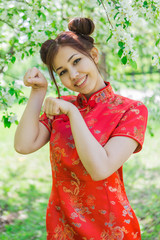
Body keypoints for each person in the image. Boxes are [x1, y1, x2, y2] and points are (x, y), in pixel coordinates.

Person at [14, 17, 148, 240]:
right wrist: (38, 92)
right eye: (62, 72)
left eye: (76, 61)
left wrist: (73, 113)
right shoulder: (62, 108)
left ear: (94, 55)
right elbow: (23, 145)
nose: (73, 75)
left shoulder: (131, 110)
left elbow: (100, 169)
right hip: (62, 226)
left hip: (110, 228)